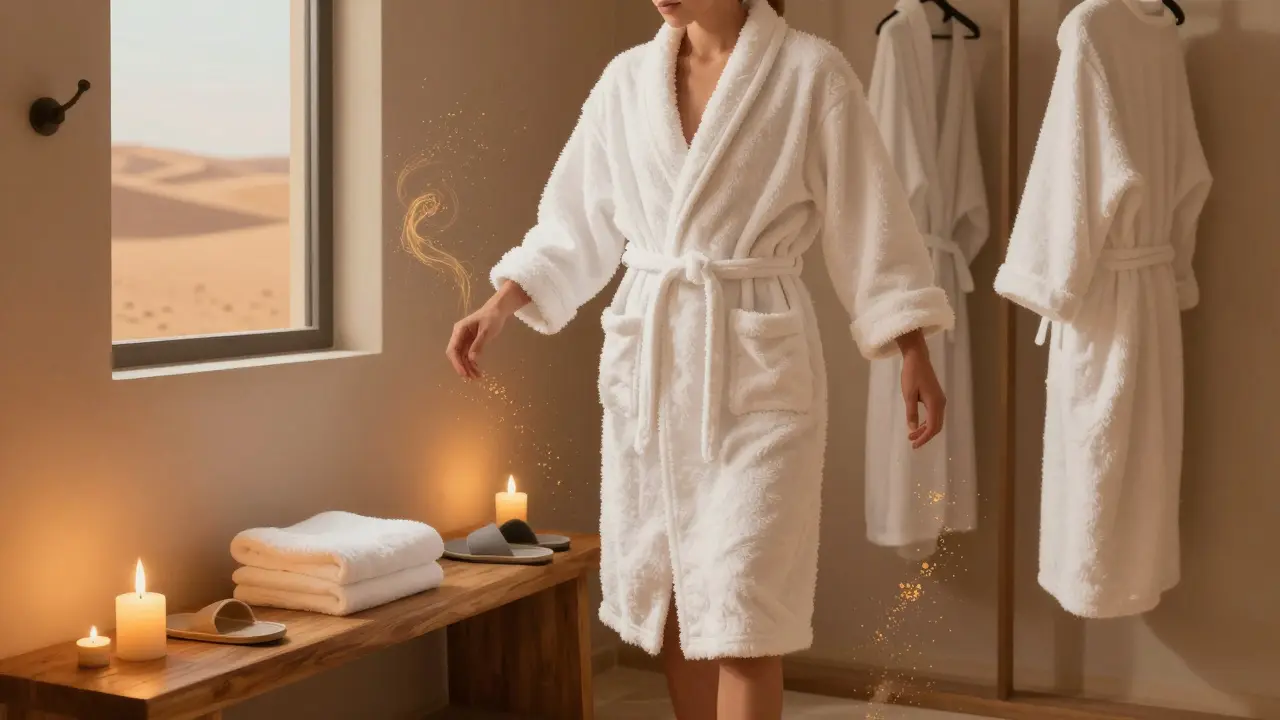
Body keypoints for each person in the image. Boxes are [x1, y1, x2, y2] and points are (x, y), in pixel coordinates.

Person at [446, 0, 951, 717]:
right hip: (655, 370)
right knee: (678, 601)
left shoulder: (811, 73)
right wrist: (502, 301)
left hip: (754, 364)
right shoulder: (627, 81)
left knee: (745, 616)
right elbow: (574, 218)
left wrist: (910, 342)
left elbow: (869, 218)